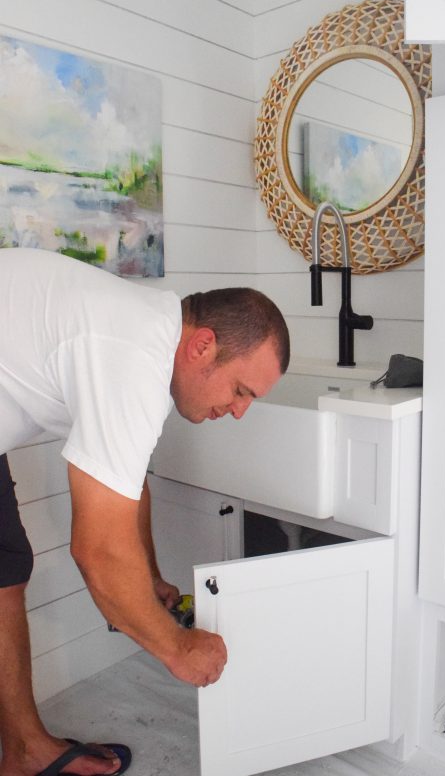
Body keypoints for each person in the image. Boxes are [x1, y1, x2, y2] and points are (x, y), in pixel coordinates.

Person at [0, 247, 290, 776]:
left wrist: (150, 575)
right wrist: (177, 648)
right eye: (241, 390)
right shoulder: (130, 356)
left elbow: (125, 484)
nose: (240, 410)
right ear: (203, 346)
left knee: (4, 570)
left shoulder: (147, 334)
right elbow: (99, 551)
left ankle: (23, 750)